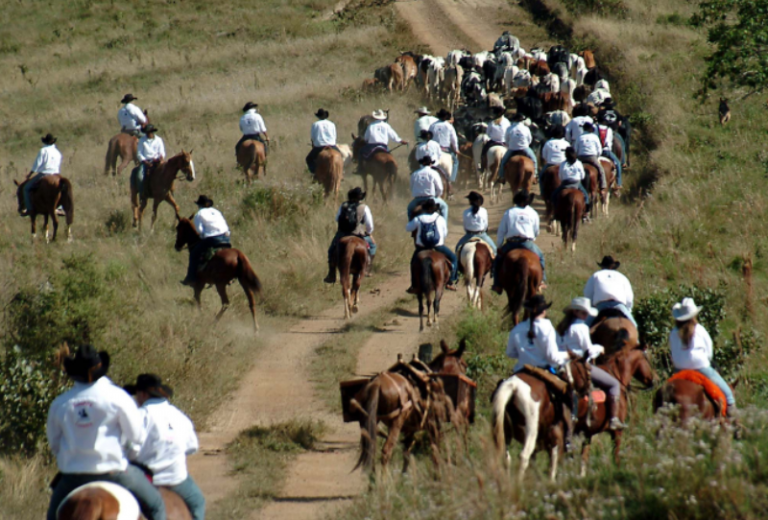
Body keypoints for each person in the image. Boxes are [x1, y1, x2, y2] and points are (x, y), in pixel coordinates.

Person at [46, 345, 166, 520]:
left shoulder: (60, 403)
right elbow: (137, 436)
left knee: (51, 515)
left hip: (72, 477)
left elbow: (54, 444)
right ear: (100, 369)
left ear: (74, 373)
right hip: (115, 473)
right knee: (157, 506)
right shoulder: (118, 397)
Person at [125, 374, 205, 520]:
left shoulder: (140, 416)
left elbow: (131, 449)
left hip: (148, 480)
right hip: (176, 479)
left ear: (143, 394)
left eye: (137, 395)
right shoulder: (180, 416)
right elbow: (192, 446)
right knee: (198, 502)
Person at [556, 297, 626, 437]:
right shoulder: (581, 327)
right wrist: (599, 348)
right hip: (578, 365)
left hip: (561, 366)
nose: (585, 316)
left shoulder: (561, 328)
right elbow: (588, 350)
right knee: (613, 384)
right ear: (576, 312)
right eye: (583, 313)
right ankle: (613, 419)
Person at [669, 298, 736, 417]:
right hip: (700, 367)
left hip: (679, 370)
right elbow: (709, 350)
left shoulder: (673, 332)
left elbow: (673, 352)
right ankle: (735, 423)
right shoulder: (699, 329)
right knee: (728, 395)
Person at [492, 190, 546, 294]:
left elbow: (501, 231)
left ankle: (497, 284)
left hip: (511, 243)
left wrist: (499, 245)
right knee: (541, 257)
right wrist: (532, 239)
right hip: (527, 243)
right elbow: (536, 231)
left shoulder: (509, 212)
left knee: (498, 260)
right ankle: (541, 281)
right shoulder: (533, 212)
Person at [324, 187, 376, 284]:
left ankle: (331, 274)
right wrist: (368, 233)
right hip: (358, 233)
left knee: (331, 250)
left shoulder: (343, 205)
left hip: (342, 234)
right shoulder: (364, 207)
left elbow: (336, 219)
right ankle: (367, 267)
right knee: (372, 246)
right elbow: (369, 226)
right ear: (360, 198)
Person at [405, 198, 458, 291]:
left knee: (413, 263)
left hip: (422, 247)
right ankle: (451, 281)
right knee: (454, 258)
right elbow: (445, 233)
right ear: (434, 208)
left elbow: (408, 228)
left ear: (425, 208)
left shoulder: (419, 218)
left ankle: (414, 285)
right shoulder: (440, 218)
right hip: (438, 246)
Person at [181, 195, 231, 286]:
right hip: (226, 237)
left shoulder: (199, 214)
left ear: (199, 205)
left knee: (194, 254)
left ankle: (190, 278)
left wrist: (203, 237)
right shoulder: (217, 211)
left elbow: (200, 231)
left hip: (213, 239)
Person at [583, 256, 636, 327]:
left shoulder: (596, 275)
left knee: (585, 326)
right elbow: (629, 297)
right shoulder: (622, 277)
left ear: (602, 266)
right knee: (634, 326)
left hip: (601, 306)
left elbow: (588, 294)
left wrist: (592, 306)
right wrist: (629, 309)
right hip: (619, 306)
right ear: (614, 267)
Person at [20, 133, 62, 217]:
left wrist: (30, 174)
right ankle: (60, 207)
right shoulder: (58, 152)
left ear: (45, 142)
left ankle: (29, 209)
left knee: (26, 188)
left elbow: (37, 164)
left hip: (45, 173)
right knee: (61, 189)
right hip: (56, 174)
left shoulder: (43, 150)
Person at [549, 147, 591, 217]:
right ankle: (586, 212)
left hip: (565, 183)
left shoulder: (563, 164)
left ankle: (554, 212)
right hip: (576, 183)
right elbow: (583, 175)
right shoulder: (578, 163)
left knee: (554, 195)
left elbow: (560, 175)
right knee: (586, 196)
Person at [407, 155, 449, 222]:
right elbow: (440, 188)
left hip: (417, 200)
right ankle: (443, 227)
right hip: (431, 199)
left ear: (422, 163)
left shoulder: (415, 174)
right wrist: (438, 195)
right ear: (430, 163)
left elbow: (411, 187)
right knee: (444, 207)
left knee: (409, 209)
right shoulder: (434, 173)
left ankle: (411, 224)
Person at [455, 191, 497, 256]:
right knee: (494, 249)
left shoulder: (465, 212)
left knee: (457, 248)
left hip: (469, 235)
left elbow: (465, 226)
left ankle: (457, 264)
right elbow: (485, 225)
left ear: (470, 201)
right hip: (482, 235)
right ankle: (495, 265)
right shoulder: (484, 211)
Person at [499, 113, 537, 181]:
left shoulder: (509, 128)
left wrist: (510, 145)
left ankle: (501, 176)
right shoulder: (526, 128)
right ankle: (535, 175)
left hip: (512, 149)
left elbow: (506, 139)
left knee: (503, 162)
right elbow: (529, 140)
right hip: (524, 148)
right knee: (534, 160)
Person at [429, 109, 460, 183]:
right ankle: (451, 180)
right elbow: (454, 139)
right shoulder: (449, 126)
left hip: (434, 149)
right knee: (456, 162)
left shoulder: (432, 125)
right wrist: (456, 149)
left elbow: (429, 136)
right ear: (446, 116)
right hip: (445, 149)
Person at [305, 108, 340, 175]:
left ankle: (315, 173)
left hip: (319, 147)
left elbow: (313, 137)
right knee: (341, 157)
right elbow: (334, 136)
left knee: (309, 159)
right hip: (332, 146)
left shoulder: (315, 124)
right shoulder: (332, 124)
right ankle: (341, 173)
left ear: (318, 116)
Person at [575, 122, 607, 191]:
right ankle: (603, 185)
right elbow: (599, 150)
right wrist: (597, 156)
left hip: (581, 157)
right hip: (592, 157)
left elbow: (575, 149)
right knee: (601, 169)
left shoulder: (579, 137)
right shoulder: (595, 137)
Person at [135, 124, 166, 196]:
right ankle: (142, 193)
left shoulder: (159, 140)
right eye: (147, 133)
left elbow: (162, 152)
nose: (148, 134)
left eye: (150, 132)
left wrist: (161, 157)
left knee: (167, 172)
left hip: (157, 161)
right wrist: (145, 161)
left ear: (152, 132)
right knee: (140, 176)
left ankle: (167, 191)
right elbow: (139, 153)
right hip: (146, 162)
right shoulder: (142, 141)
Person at [480, 107, 509, 172]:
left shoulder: (492, 122)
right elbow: (508, 133)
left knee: (483, 152)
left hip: (492, 142)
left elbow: (488, 133)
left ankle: (482, 167)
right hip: (503, 142)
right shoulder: (507, 122)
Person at [597, 120, 622, 189]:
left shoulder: (595, 128)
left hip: (597, 152)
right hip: (606, 151)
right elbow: (608, 142)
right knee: (617, 164)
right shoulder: (609, 130)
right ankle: (619, 183)